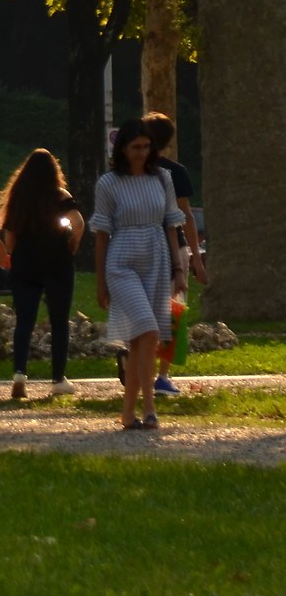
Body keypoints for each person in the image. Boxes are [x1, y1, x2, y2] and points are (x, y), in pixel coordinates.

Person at [92, 119, 186, 431]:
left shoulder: (163, 178)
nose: (141, 153)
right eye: (135, 147)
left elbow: (172, 226)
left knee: (142, 340)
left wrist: (179, 269)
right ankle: (150, 405)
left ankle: (128, 412)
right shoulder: (108, 183)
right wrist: (100, 280)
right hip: (121, 260)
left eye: (146, 147)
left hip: (156, 258)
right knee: (146, 329)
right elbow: (101, 234)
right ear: (123, 148)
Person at [0, 149, 81, 400]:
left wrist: (14, 253)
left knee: (24, 321)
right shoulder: (60, 195)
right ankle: (58, 379)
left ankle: (20, 373)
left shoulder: (19, 198)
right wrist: (72, 244)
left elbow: (9, 237)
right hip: (57, 262)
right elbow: (78, 223)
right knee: (59, 321)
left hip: (25, 262)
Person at [142, 112, 202, 397]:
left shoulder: (132, 170)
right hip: (173, 246)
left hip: (139, 243)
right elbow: (186, 216)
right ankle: (162, 375)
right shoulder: (176, 172)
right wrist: (197, 259)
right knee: (173, 308)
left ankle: (138, 365)